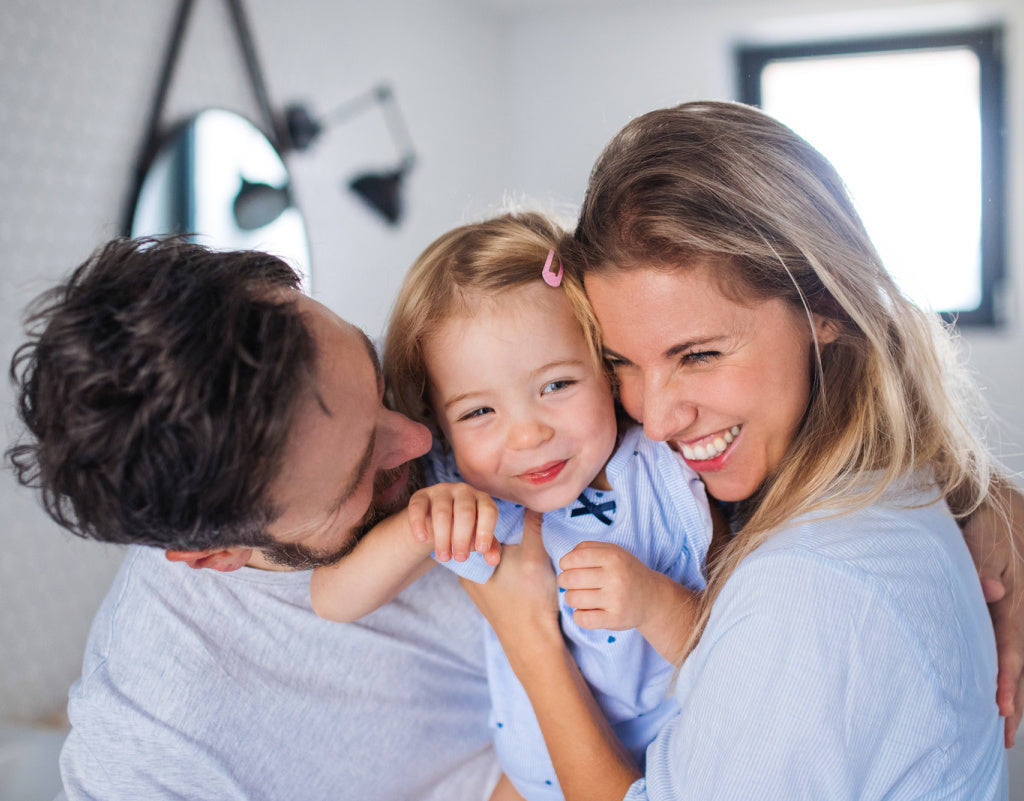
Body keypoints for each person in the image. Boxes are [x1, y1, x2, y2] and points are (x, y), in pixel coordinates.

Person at [458, 101, 1018, 800]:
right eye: (620, 362)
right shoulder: (882, 483)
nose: (656, 419)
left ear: (826, 308)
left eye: (697, 354)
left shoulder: (806, 588)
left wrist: (529, 636)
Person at [5, 237, 499, 801]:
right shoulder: (151, 747)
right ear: (216, 554)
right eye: (360, 475)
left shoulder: (452, 356)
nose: (420, 437)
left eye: (377, 380)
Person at [308, 213, 713, 801]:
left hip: (653, 774)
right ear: (441, 424)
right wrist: (421, 526)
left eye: (555, 386)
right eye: (478, 412)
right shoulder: (476, 500)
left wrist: (653, 602)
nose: (526, 437)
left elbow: (727, 666)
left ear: (605, 366)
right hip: (524, 778)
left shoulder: (663, 474)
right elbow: (333, 599)